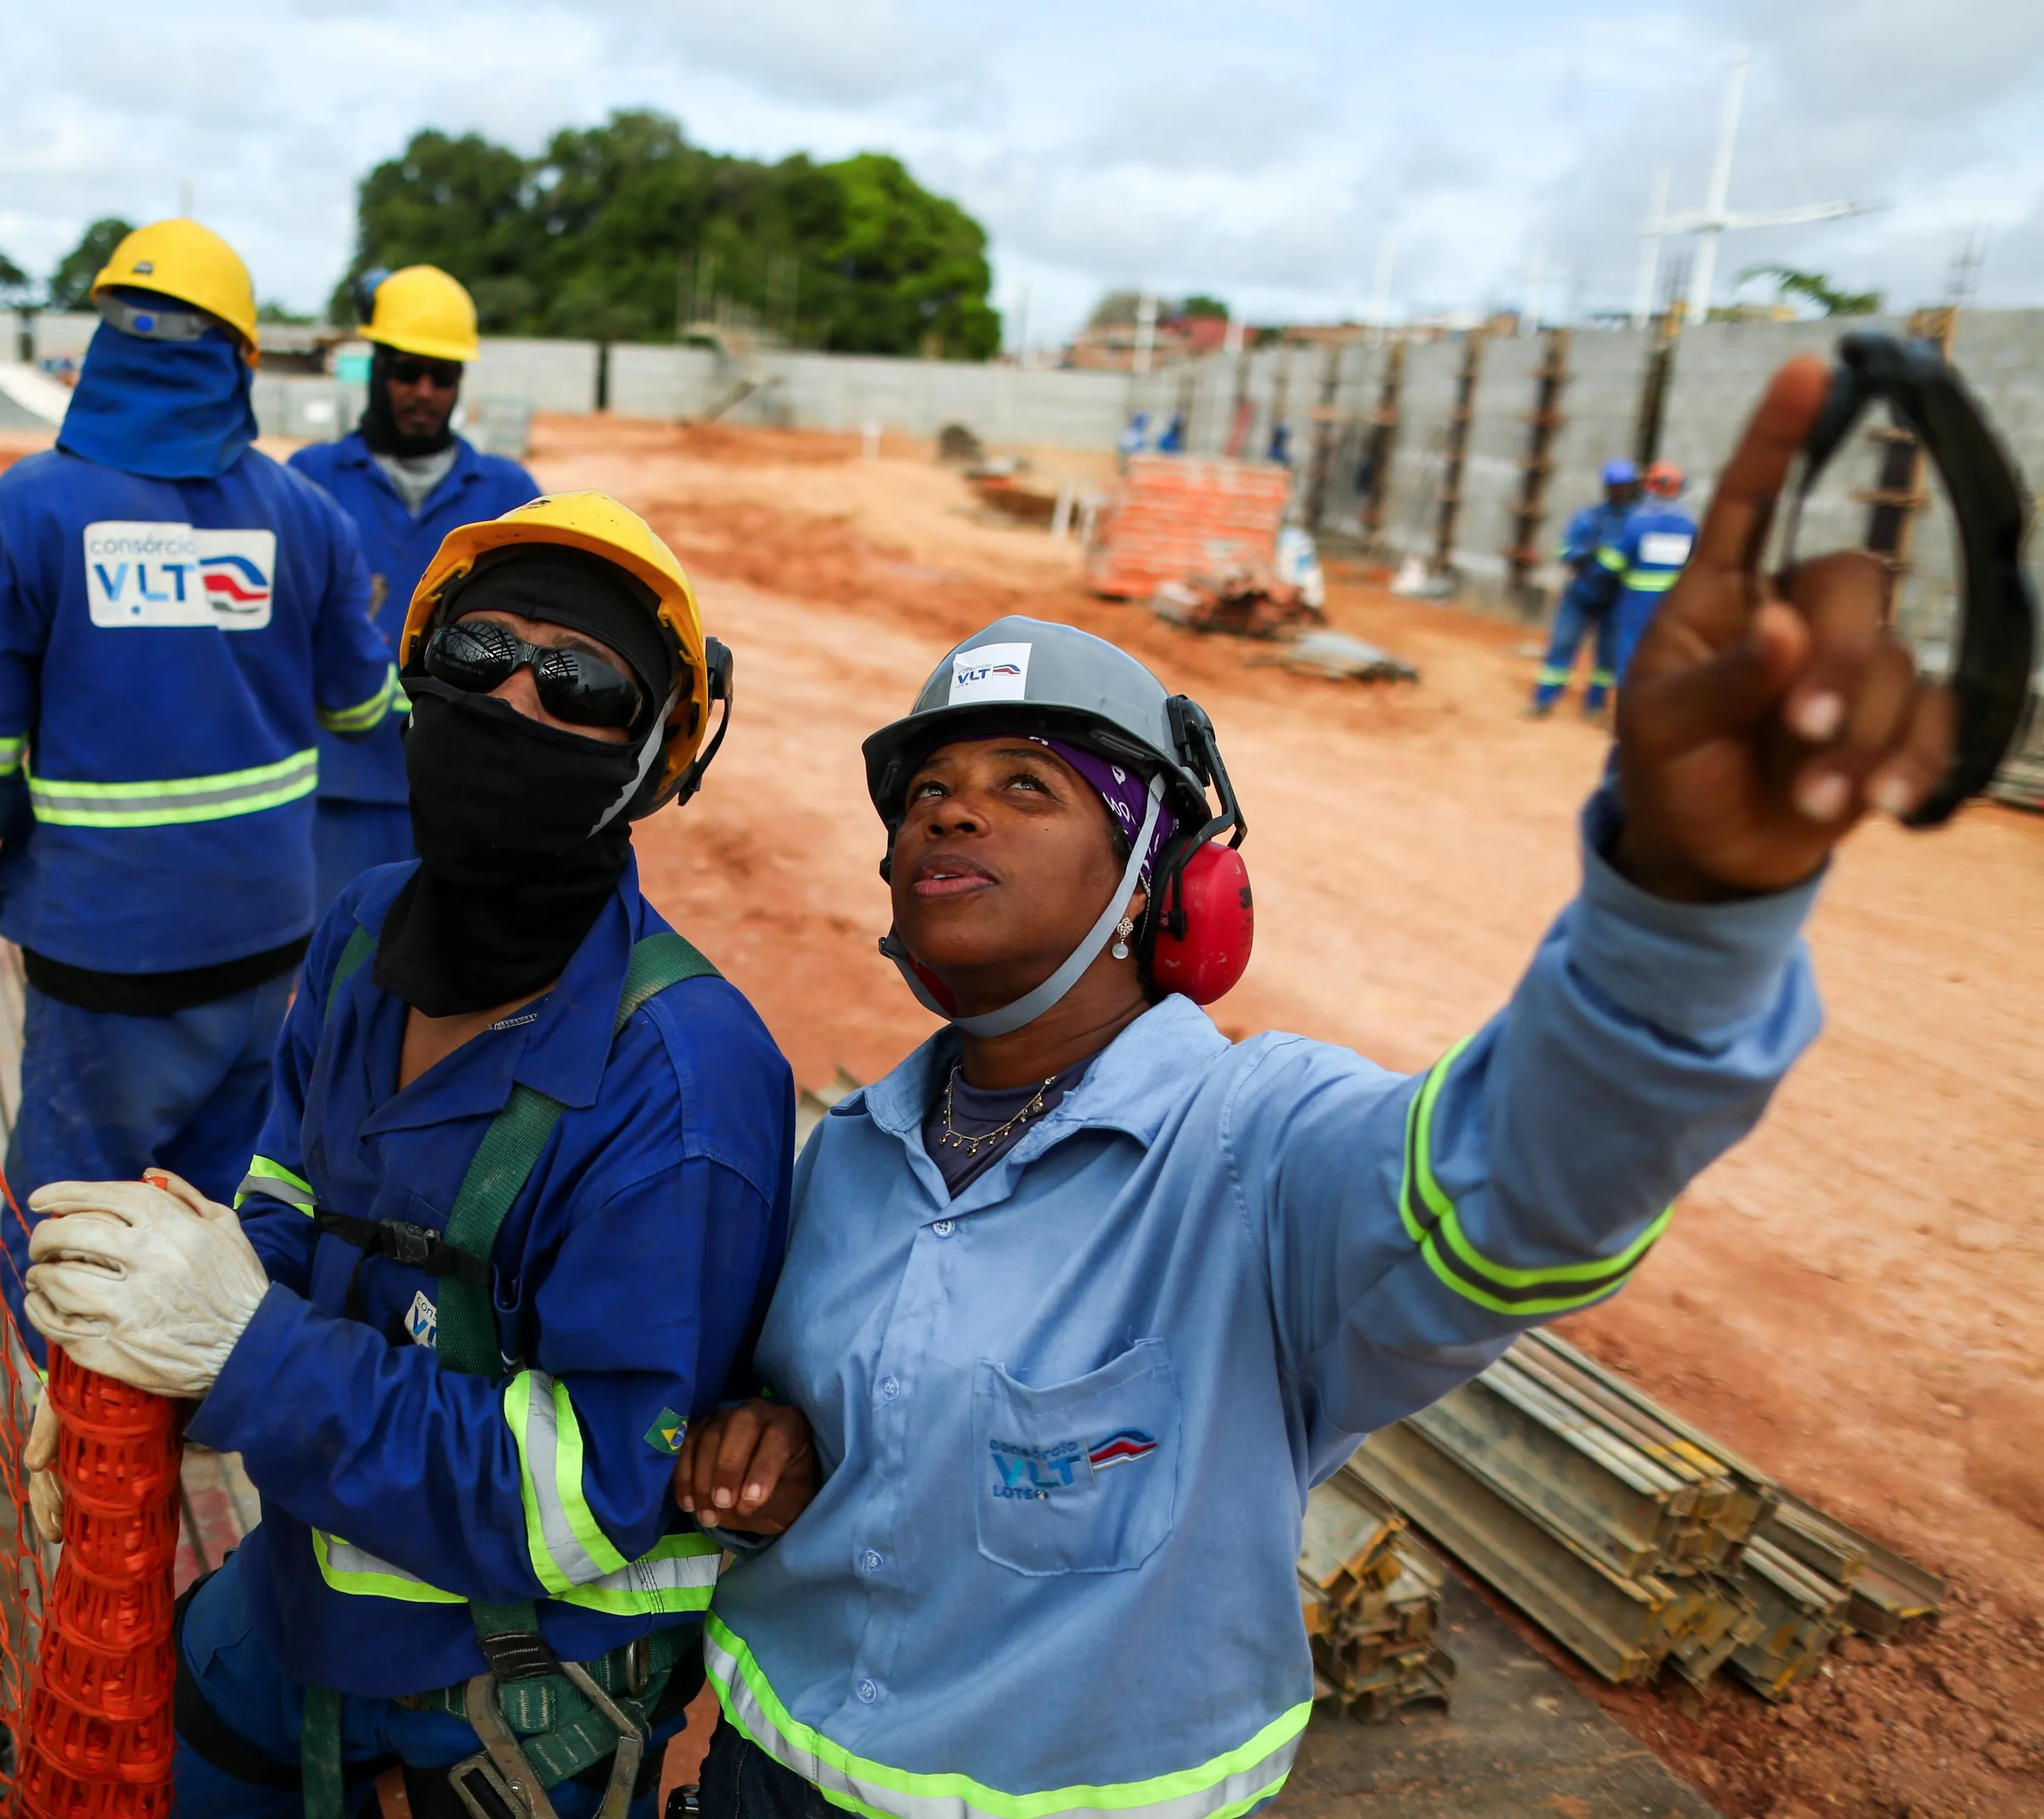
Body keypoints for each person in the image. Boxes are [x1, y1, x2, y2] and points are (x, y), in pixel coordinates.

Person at [669, 358, 1946, 1819]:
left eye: (1027, 784)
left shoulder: (1253, 1155)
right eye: (922, 792)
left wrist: (1677, 913)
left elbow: (1518, 1182)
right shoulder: (847, 1157)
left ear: (1167, 884)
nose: (948, 807)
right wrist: (769, 1442)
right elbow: (835, 1420)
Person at [17, 493, 788, 1819]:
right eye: (481, 658)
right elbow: (291, 1191)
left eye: (582, 682)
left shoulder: (684, 1086)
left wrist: (242, 1353)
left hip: (514, 1688)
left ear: (659, 761)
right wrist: (148, 1366)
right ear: (420, 684)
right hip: (305, 1583)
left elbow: (581, 1503)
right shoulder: (369, 931)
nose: (517, 704)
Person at [0, 217, 399, 1359]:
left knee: (77, 1220)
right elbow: (360, 710)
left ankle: (75, 1441)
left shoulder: (33, 510)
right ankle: (200, 1397)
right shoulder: (305, 519)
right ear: (238, 360)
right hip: (266, 937)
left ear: (103, 347)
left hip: (104, 951)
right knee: (223, 1205)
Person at [289, 264, 544, 913]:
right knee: (338, 985)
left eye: (443, 375)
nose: (424, 391)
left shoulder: (507, 496)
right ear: (375, 367)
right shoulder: (310, 482)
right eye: (407, 371)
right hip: (334, 794)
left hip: (461, 799)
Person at [1531, 457, 1642, 716]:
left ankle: (1594, 704)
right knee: (1562, 645)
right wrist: (1586, 553)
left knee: (1607, 656)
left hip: (1616, 596)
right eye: (1618, 486)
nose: (1623, 491)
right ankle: (1544, 700)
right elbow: (1565, 550)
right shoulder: (1589, 517)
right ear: (1608, 488)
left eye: (1627, 485)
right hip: (1581, 594)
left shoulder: (1637, 521)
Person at [1610, 458, 1700, 686]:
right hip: (1672, 602)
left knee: (1629, 655)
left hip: (1636, 601)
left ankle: (1626, 712)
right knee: (1667, 656)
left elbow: (1615, 561)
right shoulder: (1689, 525)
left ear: (1650, 486)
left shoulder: (1638, 522)